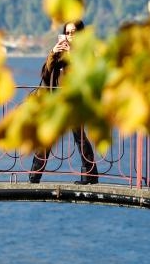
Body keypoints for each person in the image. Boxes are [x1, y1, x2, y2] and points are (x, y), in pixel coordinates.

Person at [28, 21, 98, 185]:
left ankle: (89, 175)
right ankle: (34, 175)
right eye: (67, 32)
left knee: (80, 138)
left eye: (74, 32)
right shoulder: (59, 53)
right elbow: (45, 75)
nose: (70, 36)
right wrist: (53, 52)